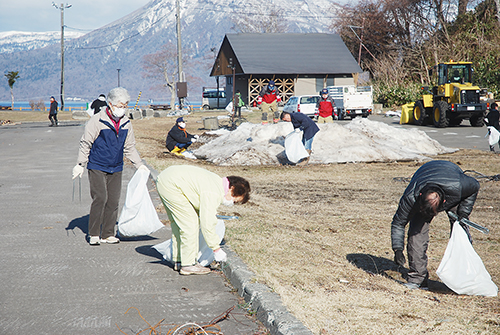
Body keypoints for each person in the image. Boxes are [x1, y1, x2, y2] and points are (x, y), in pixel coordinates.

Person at [72, 87, 148, 246]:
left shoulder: (126, 123)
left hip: (116, 166)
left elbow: (130, 147)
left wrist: (139, 165)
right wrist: (80, 164)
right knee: (100, 198)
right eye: (120, 106)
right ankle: (93, 233)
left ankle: (107, 233)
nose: (123, 109)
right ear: (110, 104)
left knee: (113, 201)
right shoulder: (97, 121)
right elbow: (86, 143)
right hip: (97, 165)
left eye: (125, 105)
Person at [391, 160, 480, 289]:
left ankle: (464, 277)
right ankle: (418, 279)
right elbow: (398, 223)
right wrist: (398, 249)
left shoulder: (460, 186)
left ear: (443, 202)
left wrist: (463, 213)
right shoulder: (412, 196)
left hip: (452, 181)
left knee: (460, 232)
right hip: (424, 175)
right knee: (416, 233)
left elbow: (475, 186)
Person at [156, 165, 251, 275]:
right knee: (190, 224)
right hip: (172, 185)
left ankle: (179, 259)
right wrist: (216, 249)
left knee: (179, 224)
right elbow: (208, 223)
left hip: (166, 179)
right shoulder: (214, 192)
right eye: (234, 200)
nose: (231, 203)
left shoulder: (216, 182)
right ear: (232, 189)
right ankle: (188, 265)